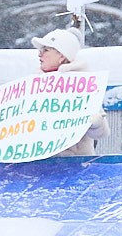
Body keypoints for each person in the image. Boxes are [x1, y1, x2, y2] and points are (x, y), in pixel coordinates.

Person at [32, 28, 111, 158]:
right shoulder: (33, 85)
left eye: (46, 50)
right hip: (41, 163)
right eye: (40, 50)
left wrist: (95, 122)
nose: (39, 54)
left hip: (75, 164)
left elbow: (101, 133)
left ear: (62, 56)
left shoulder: (81, 84)